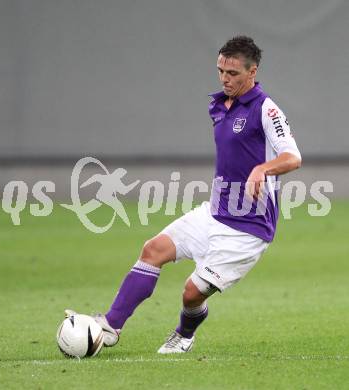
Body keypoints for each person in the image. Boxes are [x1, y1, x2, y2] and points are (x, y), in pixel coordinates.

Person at [66, 35, 302, 353]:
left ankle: (184, 335)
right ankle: (110, 327)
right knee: (153, 250)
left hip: (247, 230)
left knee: (191, 294)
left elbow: (292, 157)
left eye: (232, 73)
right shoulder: (220, 105)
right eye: (220, 70)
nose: (224, 78)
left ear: (252, 71)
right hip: (214, 212)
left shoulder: (266, 109)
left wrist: (262, 170)